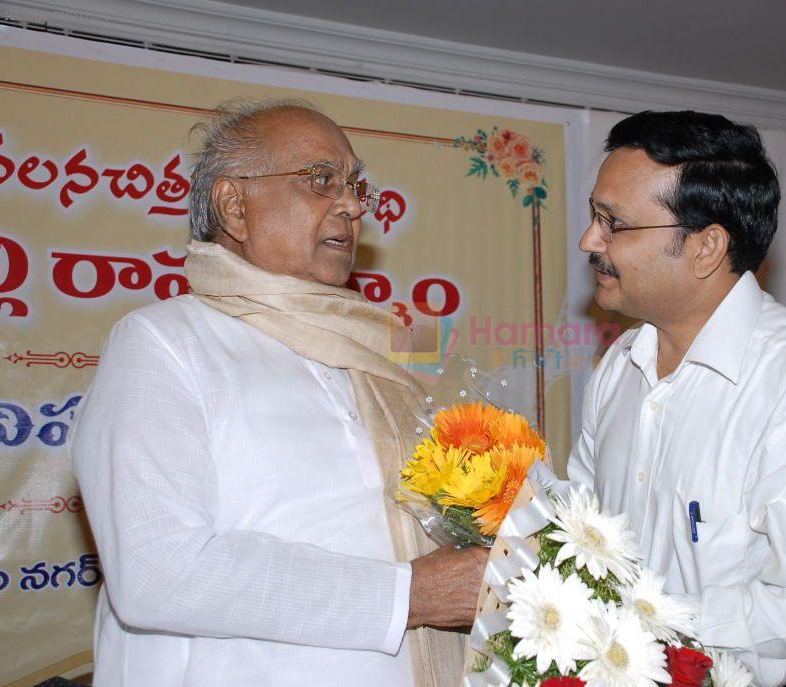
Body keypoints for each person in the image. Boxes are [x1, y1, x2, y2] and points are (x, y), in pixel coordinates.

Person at [70, 99, 486, 687]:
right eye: (321, 181)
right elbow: (156, 570)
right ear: (234, 207)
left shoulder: (392, 346)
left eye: (355, 186)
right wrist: (409, 594)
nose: (350, 204)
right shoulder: (164, 342)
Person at [568, 110, 786, 687]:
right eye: (595, 216)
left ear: (705, 246)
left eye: (612, 222)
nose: (589, 240)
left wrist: (655, 620)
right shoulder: (618, 368)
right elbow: (584, 535)